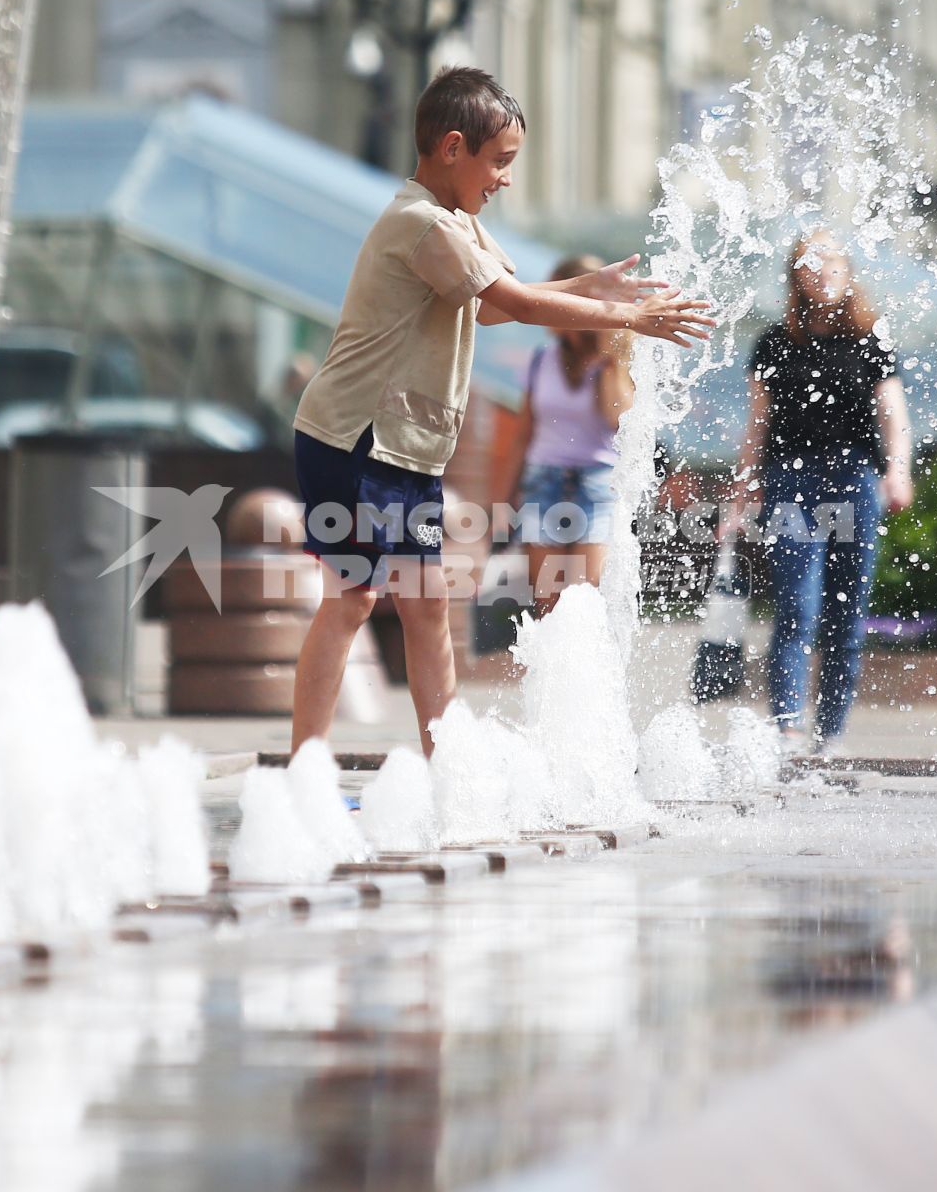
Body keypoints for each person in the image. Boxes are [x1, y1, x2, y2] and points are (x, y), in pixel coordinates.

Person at [290, 66, 713, 757]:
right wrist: (628, 313)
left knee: (420, 609)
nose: (506, 180)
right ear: (452, 148)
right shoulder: (422, 223)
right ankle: (310, 765)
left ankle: (445, 771)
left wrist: (587, 284)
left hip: (398, 446)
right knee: (357, 602)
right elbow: (517, 306)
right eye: (501, 162)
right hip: (356, 438)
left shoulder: (457, 223)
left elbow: (493, 300)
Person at [735, 230, 913, 755]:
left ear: (847, 272)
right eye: (813, 266)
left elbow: (893, 414)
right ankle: (789, 727)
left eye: (834, 264)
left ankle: (829, 731)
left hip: (855, 479)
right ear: (797, 277)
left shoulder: (870, 339)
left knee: (846, 608)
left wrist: (897, 471)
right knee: (797, 607)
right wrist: (744, 487)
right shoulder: (774, 341)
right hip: (791, 481)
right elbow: (757, 423)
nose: (825, 274)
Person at [498, 252, 634, 614]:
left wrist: (611, 355)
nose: (546, 308)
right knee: (547, 603)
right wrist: (501, 502)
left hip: (597, 484)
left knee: (585, 602)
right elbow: (523, 435)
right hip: (543, 481)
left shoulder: (613, 360)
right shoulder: (542, 359)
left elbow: (615, 420)